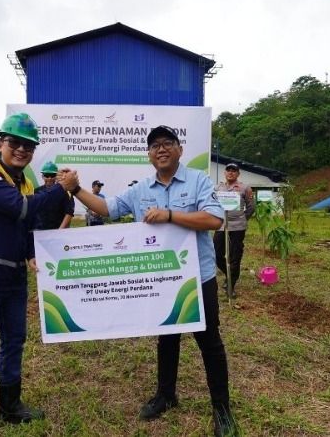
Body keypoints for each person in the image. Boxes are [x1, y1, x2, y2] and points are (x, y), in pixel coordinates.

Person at [67, 125, 237, 434]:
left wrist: (170, 214)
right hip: (160, 282)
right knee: (167, 338)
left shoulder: (198, 181)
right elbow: (107, 209)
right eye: (154, 145)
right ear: (149, 154)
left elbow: (214, 218)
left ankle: (222, 409)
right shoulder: (140, 190)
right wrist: (77, 190)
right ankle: (166, 396)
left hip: (197, 277)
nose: (161, 148)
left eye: (167, 143)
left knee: (209, 342)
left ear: (179, 149)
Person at [0, 113, 66, 436]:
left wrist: (32, 252)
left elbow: (27, 223)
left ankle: (9, 405)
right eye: (14, 143)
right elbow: (20, 208)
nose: (21, 149)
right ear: (0, 143)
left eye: (28, 145)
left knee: (14, 341)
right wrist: (61, 188)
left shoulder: (27, 183)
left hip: (14, 277)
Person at [216, 164, 256, 298]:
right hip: (221, 225)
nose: (231, 173)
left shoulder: (245, 188)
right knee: (216, 254)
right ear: (224, 173)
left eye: (234, 171)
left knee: (235, 256)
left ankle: (231, 286)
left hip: (238, 227)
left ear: (238, 174)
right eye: (228, 170)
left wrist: (242, 219)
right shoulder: (218, 187)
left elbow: (251, 207)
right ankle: (229, 274)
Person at [32, 161, 75, 231]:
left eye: (52, 175)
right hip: (39, 231)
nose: (49, 178)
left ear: (56, 176)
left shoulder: (64, 192)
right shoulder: (36, 191)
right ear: (42, 176)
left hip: (57, 230)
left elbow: (69, 213)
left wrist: (59, 231)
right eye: (47, 175)